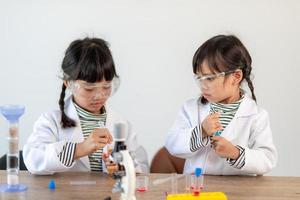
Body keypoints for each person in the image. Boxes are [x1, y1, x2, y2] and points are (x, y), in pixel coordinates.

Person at [23, 37, 149, 174]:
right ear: (68, 83)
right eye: (89, 88)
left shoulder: (121, 124)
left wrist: (122, 167)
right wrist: (79, 149)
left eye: (106, 87)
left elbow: (141, 168)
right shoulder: (51, 121)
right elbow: (33, 159)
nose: (99, 96)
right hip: (66, 195)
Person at [165, 35, 277, 175]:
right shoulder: (191, 109)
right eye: (199, 78)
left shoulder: (256, 116)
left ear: (236, 77)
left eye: (210, 78)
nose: (203, 86)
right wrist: (201, 132)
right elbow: (172, 144)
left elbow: (267, 159)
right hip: (198, 189)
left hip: (239, 192)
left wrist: (235, 153)